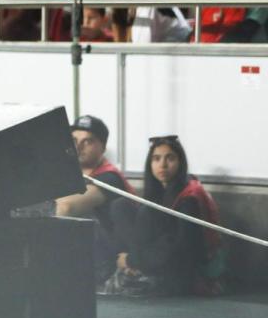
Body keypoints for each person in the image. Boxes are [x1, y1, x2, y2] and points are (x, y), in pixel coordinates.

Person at [101, 136, 224, 296]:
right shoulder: (160, 192)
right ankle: (137, 269)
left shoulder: (189, 198)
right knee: (120, 206)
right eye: (156, 159)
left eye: (170, 158)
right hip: (157, 257)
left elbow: (183, 248)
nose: (163, 165)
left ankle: (135, 267)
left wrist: (133, 259)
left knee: (147, 212)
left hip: (188, 269)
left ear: (181, 163)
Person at [56, 114, 135, 282]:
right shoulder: (70, 176)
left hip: (111, 267)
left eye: (88, 141)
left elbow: (66, 208)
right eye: (74, 140)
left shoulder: (110, 177)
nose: (78, 147)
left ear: (103, 147)